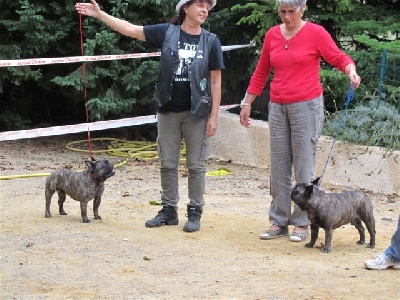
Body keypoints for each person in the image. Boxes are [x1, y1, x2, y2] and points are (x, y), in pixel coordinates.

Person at [75, 0, 224, 232]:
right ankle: (168, 211)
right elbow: (130, 29)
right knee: (167, 164)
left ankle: (194, 212)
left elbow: (215, 80)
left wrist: (214, 116)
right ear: (185, 8)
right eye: (199, 5)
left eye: (207, 6)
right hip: (167, 110)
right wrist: (100, 14)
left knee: (196, 166)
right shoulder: (167, 32)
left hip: (198, 112)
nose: (205, 10)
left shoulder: (211, 40)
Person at [239, 0, 361, 242]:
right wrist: (247, 102)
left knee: (304, 165)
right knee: (279, 166)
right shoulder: (273, 35)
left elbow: (338, 57)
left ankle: (303, 221)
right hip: (278, 106)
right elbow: (262, 70)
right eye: (282, 12)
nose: (286, 17)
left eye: (291, 12)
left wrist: (350, 71)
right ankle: (279, 220)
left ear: (302, 9)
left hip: (306, 106)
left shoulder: (316, 33)